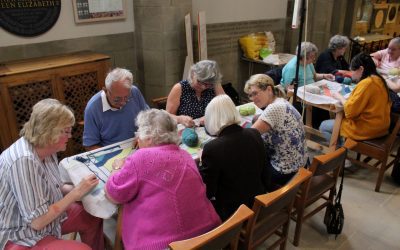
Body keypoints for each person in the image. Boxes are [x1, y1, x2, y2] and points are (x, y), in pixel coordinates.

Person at [105, 109, 220, 249]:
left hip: (165, 245)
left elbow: (114, 195)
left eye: (139, 134)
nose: (138, 139)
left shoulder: (140, 157)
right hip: (207, 237)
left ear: (148, 137)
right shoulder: (186, 156)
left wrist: (116, 168)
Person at [0, 99, 104, 250]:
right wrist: (76, 193)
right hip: (20, 234)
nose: (70, 136)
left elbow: (55, 186)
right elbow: (37, 222)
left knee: (92, 215)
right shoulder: (24, 161)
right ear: (50, 132)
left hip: (44, 217)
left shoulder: (46, 147)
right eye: (67, 131)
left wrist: (82, 189)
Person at [199, 95, 268, 221]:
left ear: (212, 119)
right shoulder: (254, 133)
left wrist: (202, 163)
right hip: (258, 200)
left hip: (234, 212)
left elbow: (208, 192)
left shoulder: (213, 148)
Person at [245, 74, 307, 190]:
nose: (253, 99)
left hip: (285, 172)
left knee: (246, 163)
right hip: (300, 164)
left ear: (269, 89)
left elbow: (248, 137)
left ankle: (259, 201)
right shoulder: (282, 102)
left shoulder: (274, 108)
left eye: (255, 93)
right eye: (250, 95)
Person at [319, 52, 391, 142]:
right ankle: (341, 145)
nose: (351, 74)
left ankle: (340, 151)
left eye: (353, 70)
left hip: (368, 128)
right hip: (381, 126)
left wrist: (340, 97)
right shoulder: (379, 79)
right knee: (335, 120)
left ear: (361, 69)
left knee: (324, 126)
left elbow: (350, 111)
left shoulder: (367, 83)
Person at [83, 68, 149, 151]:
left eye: (127, 97)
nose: (123, 103)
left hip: (137, 145)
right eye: (117, 99)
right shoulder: (93, 107)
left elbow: (148, 120)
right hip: (110, 151)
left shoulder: (134, 92)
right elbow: (90, 145)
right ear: (105, 90)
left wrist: (142, 134)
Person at [281, 42, 334, 128]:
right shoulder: (292, 68)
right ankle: (317, 131)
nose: (314, 59)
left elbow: (315, 76)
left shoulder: (308, 64)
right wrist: (308, 92)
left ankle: (323, 129)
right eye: (312, 57)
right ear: (303, 57)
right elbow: (289, 91)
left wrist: (324, 75)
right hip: (299, 99)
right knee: (321, 111)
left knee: (328, 104)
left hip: (312, 93)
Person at [166, 60, 225, 127]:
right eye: (200, 81)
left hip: (209, 127)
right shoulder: (179, 88)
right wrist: (180, 119)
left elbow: (225, 106)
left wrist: (210, 116)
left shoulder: (213, 85)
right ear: (193, 73)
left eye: (207, 84)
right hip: (186, 130)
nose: (203, 87)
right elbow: (167, 116)